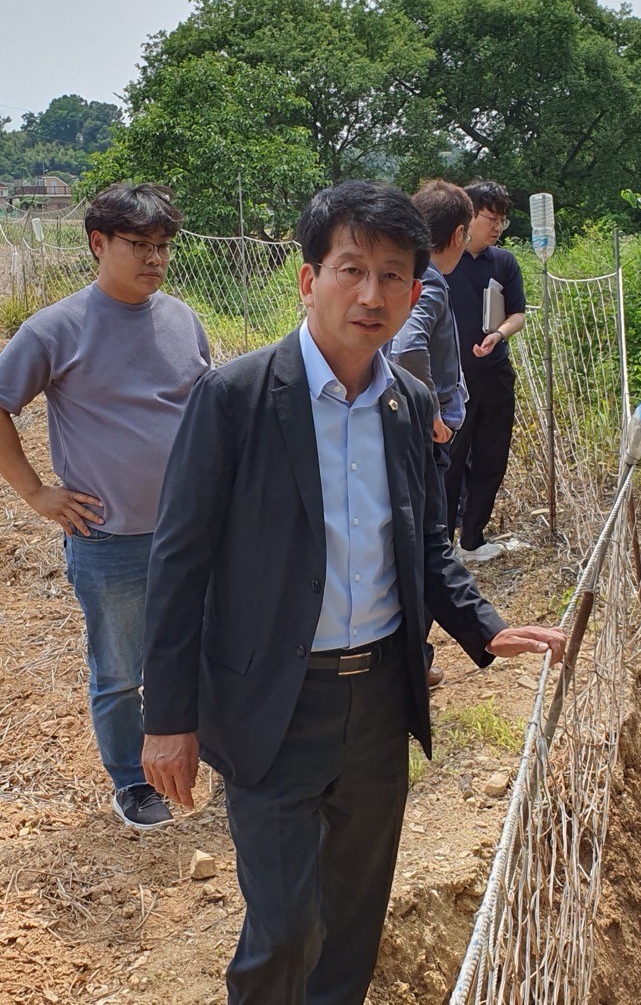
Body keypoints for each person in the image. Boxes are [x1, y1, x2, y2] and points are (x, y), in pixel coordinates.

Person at [138, 180, 565, 1005]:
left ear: (416, 292)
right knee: (287, 923)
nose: (371, 295)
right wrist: (167, 719)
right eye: (351, 270)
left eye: (394, 276)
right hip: (273, 700)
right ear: (309, 280)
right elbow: (178, 564)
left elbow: (425, 545)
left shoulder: (407, 406)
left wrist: (486, 627)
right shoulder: (235, 400)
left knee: (356, 916)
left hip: (378, 698)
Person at [0, 183, 211, 830]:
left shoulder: (183, 320)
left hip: (192, 532)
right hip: (112, 540)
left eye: (163, 247)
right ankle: (132, 782)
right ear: (98, 243)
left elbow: (206, 412)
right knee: (120, 669)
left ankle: (211, 755)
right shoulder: (56, 328)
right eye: (140, 245)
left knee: (207, 650)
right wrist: (36, 493)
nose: (155, 259)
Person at [387, 180, 473, 690]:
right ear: (458, 233)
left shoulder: (412, 276)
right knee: (427, 546)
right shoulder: (433, 282)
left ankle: (412, 656)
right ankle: (411, 662)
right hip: (427, 436)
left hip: (413, 428)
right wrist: (429, 410)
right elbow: (406, 347)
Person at [443, 178, 527, 563]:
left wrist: (498, 334)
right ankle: (441, 544)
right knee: (449, 459)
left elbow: (517, 314)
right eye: (490, 218)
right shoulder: (443, 261)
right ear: (469, 217)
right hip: (451, 378)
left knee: (491, 457)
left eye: (501, 221)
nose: (496, 227)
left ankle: (472, 539)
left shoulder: (504, 262)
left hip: (494, 372)